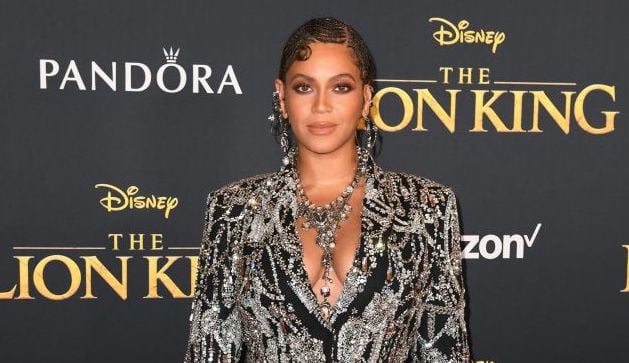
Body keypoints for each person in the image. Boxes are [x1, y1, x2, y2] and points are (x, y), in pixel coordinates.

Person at [183, 17, 471, 362]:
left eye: (340, 87)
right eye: (304, 87)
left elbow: (444, 351)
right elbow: (209, 351)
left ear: (366, 98)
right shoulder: (235, 210)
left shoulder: (426, 207)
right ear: (282, 96)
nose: (321, 106)